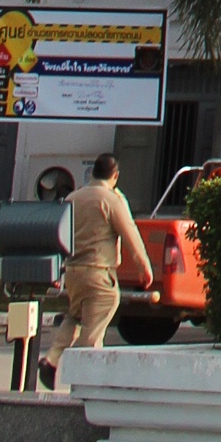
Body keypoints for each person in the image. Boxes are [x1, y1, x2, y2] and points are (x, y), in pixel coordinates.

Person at [38, 149, 154, 386]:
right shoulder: (110, 200)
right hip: (98, 272)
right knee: (95, 326)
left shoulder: (73, 198)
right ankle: (84, 378)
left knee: (75, 315)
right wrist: (144, 266)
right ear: (115, 175)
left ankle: (51, 360)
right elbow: (129, 233)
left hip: (73, 271)